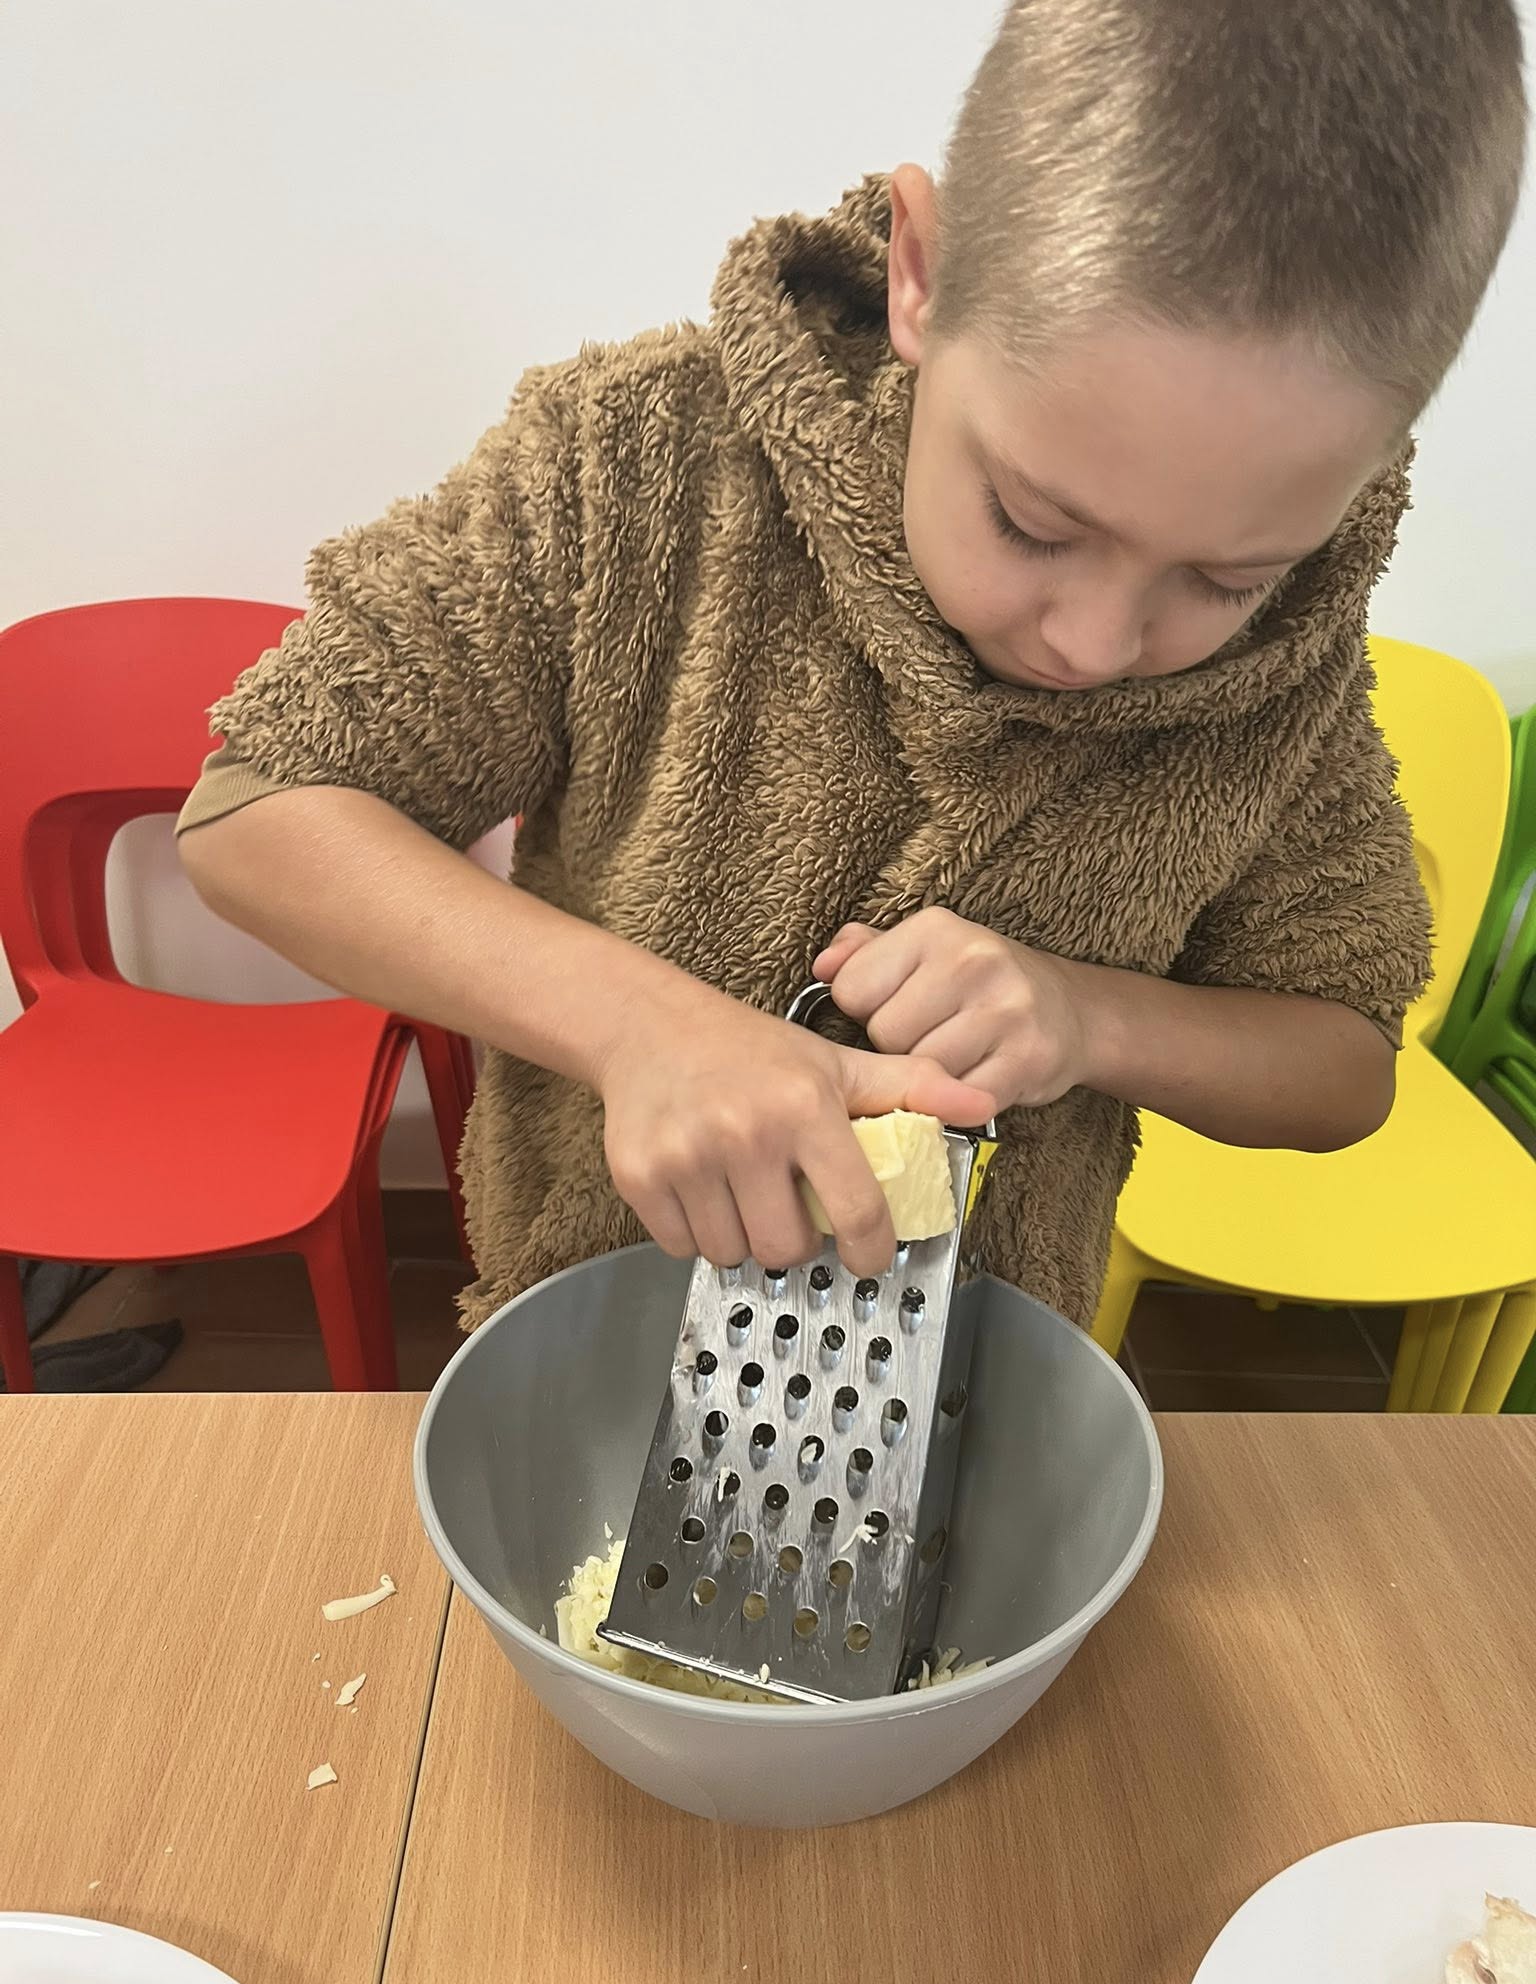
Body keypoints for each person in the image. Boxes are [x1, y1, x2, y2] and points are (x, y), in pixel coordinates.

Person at [178, 0, 1528, 1335]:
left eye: (1229, 579)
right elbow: (257, 812)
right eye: (1033, 523)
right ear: (922, 277)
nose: (1094, 645)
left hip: (982, 1360)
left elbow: (1343, 1062)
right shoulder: (638, 465)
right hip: (582, 1321)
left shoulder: (1291, 663)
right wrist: (636, 1025)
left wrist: (1088, 1019)